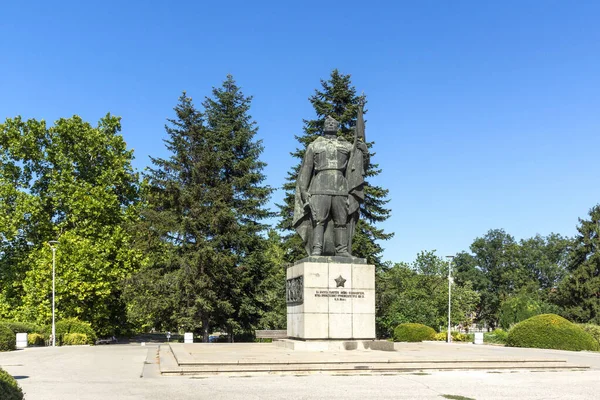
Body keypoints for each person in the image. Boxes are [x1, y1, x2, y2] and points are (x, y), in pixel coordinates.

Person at [293, 115, 369, 257]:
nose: (330, 124)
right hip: (319, 187)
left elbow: (358, 167)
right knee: (319, 220)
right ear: (323, 126)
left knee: (341, 221)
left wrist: (364, 152)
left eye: (334, 123)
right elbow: (306, 170)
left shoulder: (346, 146)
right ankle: (317, 249)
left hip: (341, 187)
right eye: (328, 122)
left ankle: (342, 250)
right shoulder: (314, 146)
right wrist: (303, 191)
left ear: (338, 126)